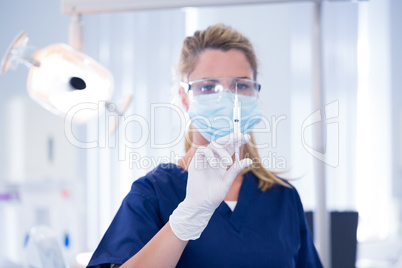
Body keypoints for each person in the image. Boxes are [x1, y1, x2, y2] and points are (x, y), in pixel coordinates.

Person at [87, 23, 322, 268]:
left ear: (255, 94)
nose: (227, 98)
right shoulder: (154, 193)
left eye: (241, 85)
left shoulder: (282, 198)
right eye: (208, 87)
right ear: (184, 99)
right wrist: (184, 221)